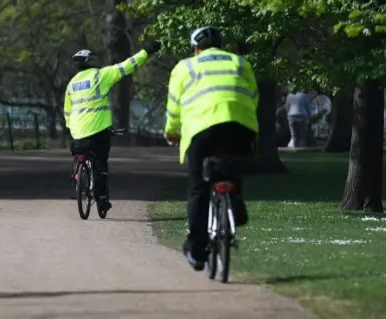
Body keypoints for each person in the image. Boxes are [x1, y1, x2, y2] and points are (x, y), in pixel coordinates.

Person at [163, 26, 258, 271]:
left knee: (198, 188)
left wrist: (171, 131)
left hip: (201, 130)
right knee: (232, 166)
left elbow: (174, 107)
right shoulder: (239, 63)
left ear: (196, 48)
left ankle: (196, 251)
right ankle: (235, 206)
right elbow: (253, 96)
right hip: (239, 126)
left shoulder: (185, 67)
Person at [64, 40, 161, 211]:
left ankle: (79, 176)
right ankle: (101, 198)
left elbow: (67, 112)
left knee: (82, 154)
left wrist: (73, 129)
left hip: (77, 134)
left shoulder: (71, 85)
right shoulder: (100, 76)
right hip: (97, 133)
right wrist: (148, 50)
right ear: (91, 62)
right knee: (101, 163)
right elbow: (128, 66)